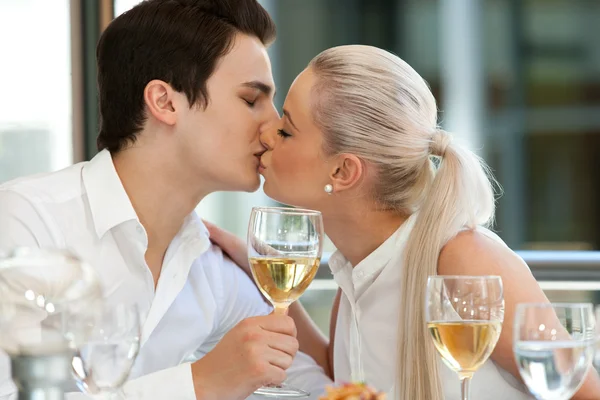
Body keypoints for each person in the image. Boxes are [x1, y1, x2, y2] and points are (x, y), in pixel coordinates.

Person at [207, 44, 600, 400]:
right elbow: (348, 380)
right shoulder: (355, 275)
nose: (267, 131)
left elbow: (580, 391)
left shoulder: (464, 260)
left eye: (287, 129)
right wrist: (260, 275)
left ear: (344, 171)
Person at [0, 1, 330, 399]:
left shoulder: (210, 266)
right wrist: (201, 383)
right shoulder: (26, 222)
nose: (274, 125)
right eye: (250, 100)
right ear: (165, 102)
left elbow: (317, 388)